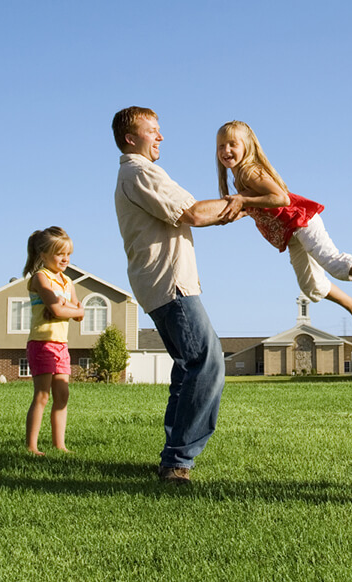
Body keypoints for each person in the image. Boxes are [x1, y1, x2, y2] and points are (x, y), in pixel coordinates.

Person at [112, 106, 243, 484]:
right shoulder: (140, 173)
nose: (161, 136)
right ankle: (177, 461)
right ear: (130, 138)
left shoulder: (141, 173)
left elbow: (199, 210)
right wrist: (248, 202)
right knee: (208, 362)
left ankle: (173, 455)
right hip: (169, 285)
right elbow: (195, 214)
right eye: (152, 130)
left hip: (163, 284)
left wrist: (243, 205)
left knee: (188, 369)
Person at [215, 120, 352, 335]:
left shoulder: (249, 172)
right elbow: (260, 204)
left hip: (302, 221)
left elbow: (280, 198)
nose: (226, 150)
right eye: (221, 146)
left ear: (247, 146)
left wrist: (242, 199)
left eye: (233, 144)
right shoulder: (239, 176)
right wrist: (240, 210)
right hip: (291, 233)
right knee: (311, 286)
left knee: (335, 264)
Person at [23, 226, 85, 456]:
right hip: (42, 342)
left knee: (62, 395)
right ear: (43, 255)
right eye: (60, 254)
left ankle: (60, 445)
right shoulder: (40, 277)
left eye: (68, 254)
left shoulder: (67, 282)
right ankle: (32, 446)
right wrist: (65, 308)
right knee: (42, 395)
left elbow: (80, 313)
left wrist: (64, 308)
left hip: (61, 344)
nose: (65, 259)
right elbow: (60, 309)